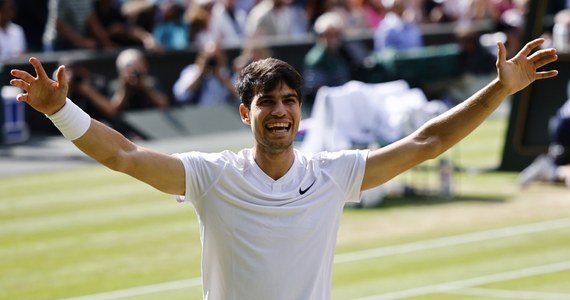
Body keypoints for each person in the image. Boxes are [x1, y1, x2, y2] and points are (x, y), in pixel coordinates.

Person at [9, 38, 558, 299]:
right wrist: (60, 108)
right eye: (267, 102)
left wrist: (500, 88)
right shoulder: (211, 175)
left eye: (290, 100)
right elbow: (123, 155)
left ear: (301, 110)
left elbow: (429, 140)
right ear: (246, 112)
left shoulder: (333, 173)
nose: (280, 112)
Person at [518, 84, 570, 188]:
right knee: (557, 163)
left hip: (561, 125)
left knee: (557, 162)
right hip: (565, 127)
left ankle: (547, 168)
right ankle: (546, 168)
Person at [172, 41, 239, 107]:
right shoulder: (192, 71)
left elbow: (239, 97)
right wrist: (201, 73)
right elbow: (180, 95)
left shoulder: (228, 73)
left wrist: (221, 76)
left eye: (216, 57)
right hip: (199, 114)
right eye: (210, 57)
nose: (213, 61)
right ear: (202, 56)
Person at [108, 48, 170, 112]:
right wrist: (124, 89)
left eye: (139, 66)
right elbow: (112, 109)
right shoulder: (115, 86)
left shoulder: (151, 82)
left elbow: (164, 104)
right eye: (129, 67)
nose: (135, 71)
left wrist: (144, 87)